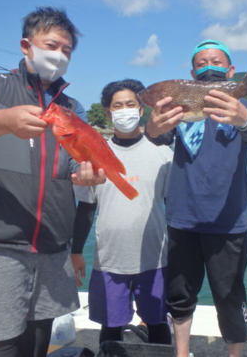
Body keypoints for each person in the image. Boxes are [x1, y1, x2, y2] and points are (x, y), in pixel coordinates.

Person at [0, 7, 105, 357]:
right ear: (26, 46)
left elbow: (73, 160)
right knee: (4, 341)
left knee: (41, 332)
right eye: (51, 45)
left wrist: (86, 171)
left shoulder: (70, 106)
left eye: (67, 51)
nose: (59, 55)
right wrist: (3, 120)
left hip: (52, 239)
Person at [145, 39, 247, 357]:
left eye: (215, 61)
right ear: (191, 73)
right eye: (201, 63)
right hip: (182, 217)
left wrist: (241, 116)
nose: (208, 66)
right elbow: (157, 136)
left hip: (229, 221)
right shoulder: (179, 108)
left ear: (230, 70)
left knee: (229, 295)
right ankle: (182, 353)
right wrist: (153, 126)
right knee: (180, 293)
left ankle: (235, 354)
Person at [71, 79, 173, 347]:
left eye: (131, 104)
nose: (124, 110)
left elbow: (173, 207)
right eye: (118, 105)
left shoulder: (162, 153)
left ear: (141, 110)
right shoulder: (93, 153)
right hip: (110, 259)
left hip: (154, 258)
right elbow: (86, 207)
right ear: (108, 112)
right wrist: (76, 250)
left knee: (157, 322)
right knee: (111, 325)